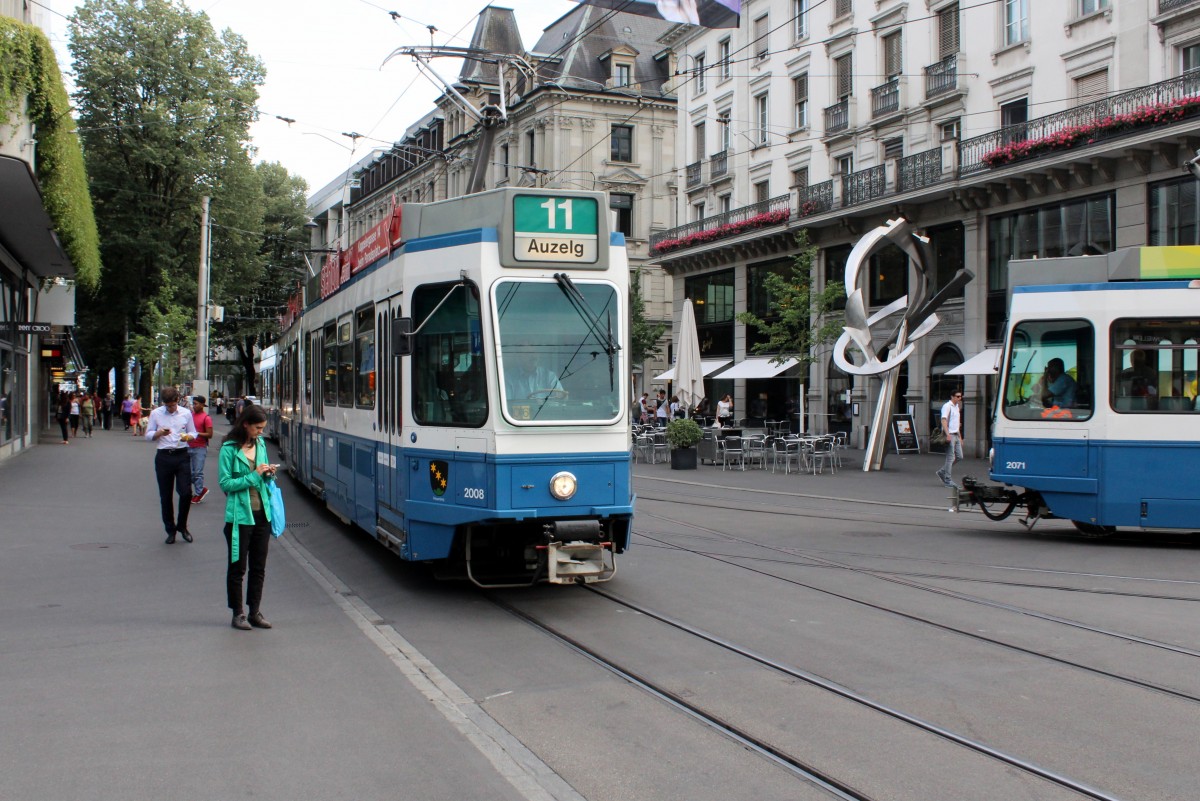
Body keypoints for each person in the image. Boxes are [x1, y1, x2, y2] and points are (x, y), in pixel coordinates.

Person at [218, 404, 276, 631]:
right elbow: (225, 484)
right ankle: (238, 614)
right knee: (238, 567)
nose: (261, 432)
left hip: (262, 514)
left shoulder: (260, 444)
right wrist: (254, 476)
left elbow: (263, 477)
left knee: (259, 567)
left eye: (262, 428)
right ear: (245, 424)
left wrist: (269, 473)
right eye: (257, 428)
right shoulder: (229, 449)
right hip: (240, 516)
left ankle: (255, 612)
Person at [144, 387, 198, 544]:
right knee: (165, 496)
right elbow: (148, 435)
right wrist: (159, 433)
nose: (171, 408)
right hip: (163, 456)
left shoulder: (186, 413)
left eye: (173, 405)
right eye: (168, 406)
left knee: (186, 492)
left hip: (181, 455)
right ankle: (170, 529)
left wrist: (188, 437)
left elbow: (193, 433)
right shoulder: (156, 413)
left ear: (178, 400)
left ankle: (182, 526)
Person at [189, 395, 215, 504]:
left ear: (202, 405)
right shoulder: (190, 415)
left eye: (196, 404)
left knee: (197, 472)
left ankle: (199, 492)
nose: (194, 406)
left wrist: (197, 434)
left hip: (200, 447)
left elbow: (210, 434)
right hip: (189, 445)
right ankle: (200, 489)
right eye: (193, 403)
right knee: (189, 472)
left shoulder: (206, 418)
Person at [936, 388, 963, 489]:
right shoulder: (947, 406)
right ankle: (948, 480)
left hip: (956, 434)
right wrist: (947, 434)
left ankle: (942, 472)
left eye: (960, 396)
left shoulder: (957, 407)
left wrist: (960, 437)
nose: (960, 398)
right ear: (952, 397)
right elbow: (943, 420)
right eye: (958, 396)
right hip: (950, 434)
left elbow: (957, 423)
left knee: (960, 456)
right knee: (950, 457)